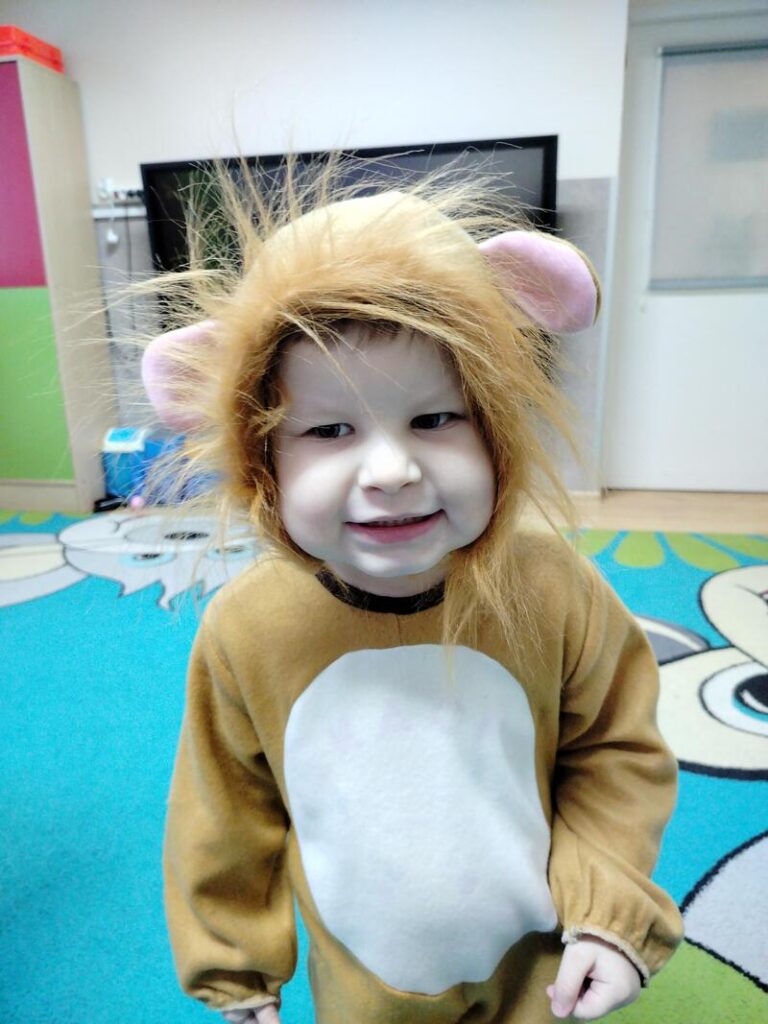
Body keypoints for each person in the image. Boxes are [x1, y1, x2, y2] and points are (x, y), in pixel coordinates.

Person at [142, 170, 683, 1024]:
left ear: (497, 430)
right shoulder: (247, 630)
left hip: (540, 971)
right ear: (262, 460)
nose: (392, 470)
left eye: (435, 419)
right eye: (330, 430)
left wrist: (610, 912)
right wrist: (234, 967)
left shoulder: (552, 590)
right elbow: (224, 811)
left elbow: (616, 751)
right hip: (364, 991)